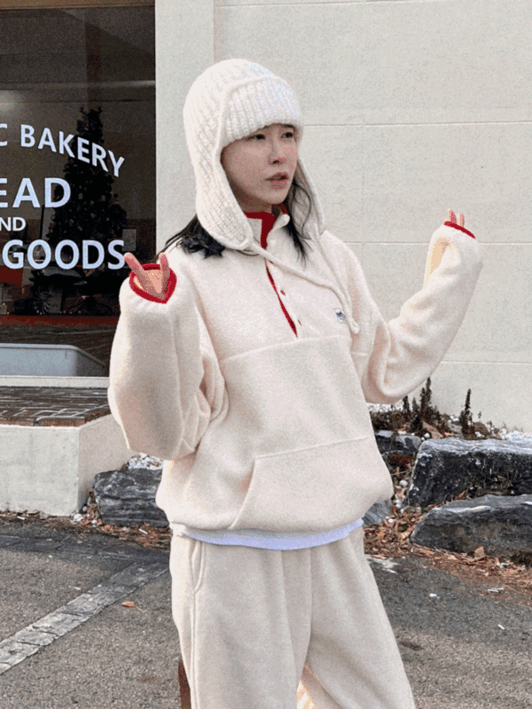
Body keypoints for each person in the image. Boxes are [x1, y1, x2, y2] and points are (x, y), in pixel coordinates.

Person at [109, 58, 482, 709]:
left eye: (288, 134)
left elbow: (383, 369)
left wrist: (456, 272)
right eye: (257, 136)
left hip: (334, 538)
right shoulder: (181, 274)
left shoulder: (329, 257)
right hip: (234, 549)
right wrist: (154, 321)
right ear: (213, 151)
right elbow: (165, 434)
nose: (279, 153)